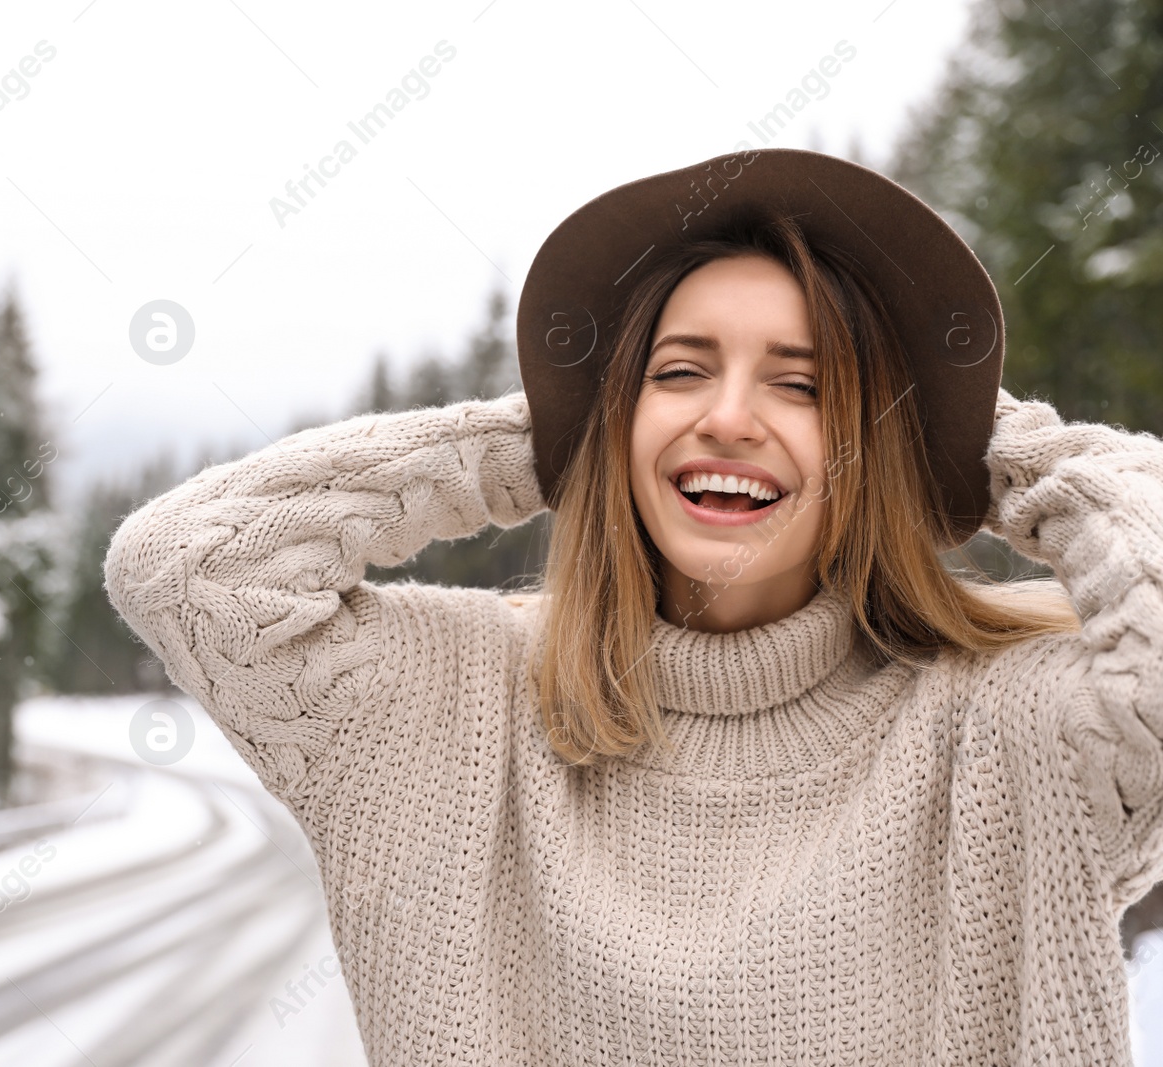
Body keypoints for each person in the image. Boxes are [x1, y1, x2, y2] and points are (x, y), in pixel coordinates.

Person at [102, 148, 1163, 1065]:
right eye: (679, 371)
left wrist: (980, 441)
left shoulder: (1014, 733)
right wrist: (563, 433)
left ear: (868, 442)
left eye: (801, 385)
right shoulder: (443, 705)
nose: (730, 416)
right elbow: (188, 566)